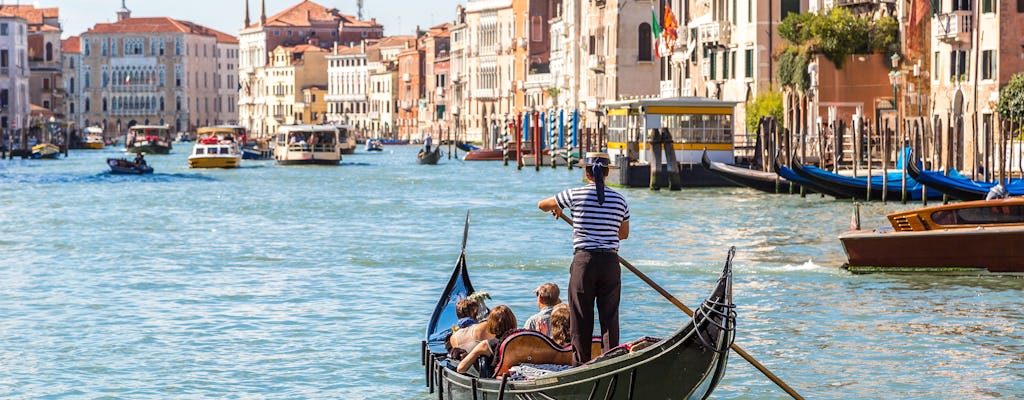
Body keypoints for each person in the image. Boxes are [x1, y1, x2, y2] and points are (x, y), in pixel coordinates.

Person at [537, 152, 630, 365]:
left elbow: (542, 204)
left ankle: (580, 364)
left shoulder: (574, 195)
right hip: (610, 263)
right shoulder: (620, 199)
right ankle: (611, 362)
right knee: (609, 317)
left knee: (580, 317)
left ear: (586, 171)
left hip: (584, 263)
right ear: (607, 173)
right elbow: (623, 234)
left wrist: (558, 207)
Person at [455, 305, 518, 374]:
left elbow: (460, 368)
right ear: (513, 320)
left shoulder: (485, 345)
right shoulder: (522, 341)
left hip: (498, 380)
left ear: (491, 324)